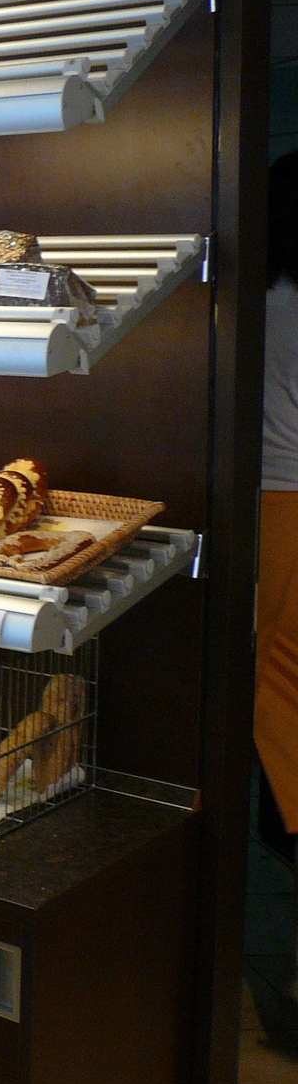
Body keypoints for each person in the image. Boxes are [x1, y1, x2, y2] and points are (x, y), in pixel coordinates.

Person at [258, 151, 298, 829]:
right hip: (285, 497)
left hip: (264, 499)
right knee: (280, 665)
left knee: (272, 665)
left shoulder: (257, 297)